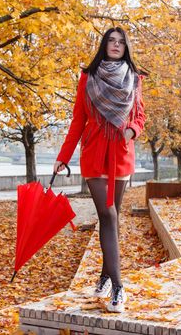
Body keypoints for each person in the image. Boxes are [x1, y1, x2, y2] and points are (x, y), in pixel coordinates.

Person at [53, 27, 146, 313]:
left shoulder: (135, 78)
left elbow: (140, 115)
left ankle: (105, 277)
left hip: (120, 152)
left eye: (120, 42)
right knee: (107, 214)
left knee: (111, 220)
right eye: (111, 41)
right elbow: (78, 120)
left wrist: (131, 131)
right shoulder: (87, 78)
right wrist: (63, 156)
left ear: (125, 47)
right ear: (104, 45)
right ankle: (119, 287)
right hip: (94, 153)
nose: (116, 45)